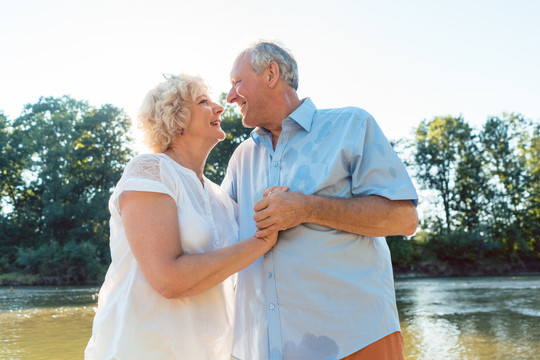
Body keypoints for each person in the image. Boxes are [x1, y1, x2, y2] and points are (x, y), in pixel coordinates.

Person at [222, 41, 419, 360]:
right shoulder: (241, 158)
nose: (230, 96)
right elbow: (216, 236)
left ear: (271, 73)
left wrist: (307, 207)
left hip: (355, 343)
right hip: (262, 350)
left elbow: (403, 219)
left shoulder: (352, 125)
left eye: (236, 82)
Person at [85, 74, 285, 360]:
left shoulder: (223, 199)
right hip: (143, 350)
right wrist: (261, 241)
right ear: (175, 119)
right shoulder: (150, 171)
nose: (220, 107)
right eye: (204, 102)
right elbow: (168, 280)